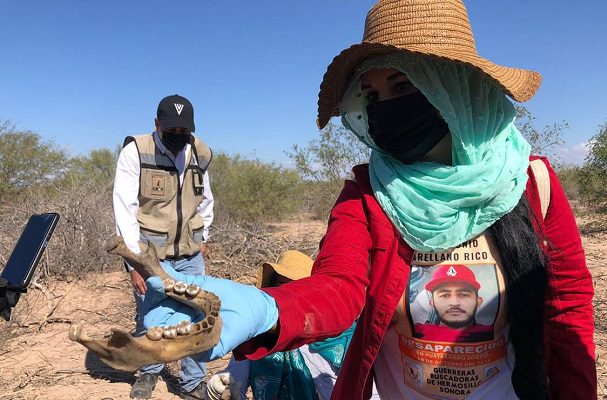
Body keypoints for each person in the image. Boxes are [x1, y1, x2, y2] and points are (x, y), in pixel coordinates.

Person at [142, 1, 596, 399]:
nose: (385, 106)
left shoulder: (531, 182)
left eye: (402, 86)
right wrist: (269, 310)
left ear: (455, 87)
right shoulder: (367, 191)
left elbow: (567, 308)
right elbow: (340, 286)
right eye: (372, 95)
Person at [113, 94, 214, 400]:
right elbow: (124, 208)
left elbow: (206, 199)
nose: (179, 137)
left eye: (185, 131)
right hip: (150, 252)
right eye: (172, 130)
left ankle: (192, 381)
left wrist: (204, 236)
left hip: (190, 251)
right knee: (151, 312)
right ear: (156, 124)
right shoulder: (136, 151)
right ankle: (148, 373)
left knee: (199, 314)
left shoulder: (200, 152)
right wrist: (135, 264)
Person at [206, 250, 379, 400]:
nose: (287, 297)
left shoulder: (346, 339)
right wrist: (222, 384)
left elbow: (373, 390)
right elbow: (235, 376)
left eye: (296, 289)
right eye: (281, 287)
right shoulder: (256, 337)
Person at [413, 264, 493, 343]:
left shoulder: (492, 332)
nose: (454, 303)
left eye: (463, 295)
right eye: (445, 295)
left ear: (478, 302)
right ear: (432, 303)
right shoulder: (417, 331)